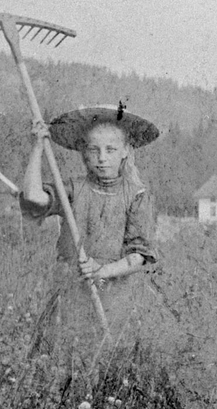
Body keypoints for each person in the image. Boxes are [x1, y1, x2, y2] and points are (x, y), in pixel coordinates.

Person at [21, 104, 159, 373]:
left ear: (125, 152)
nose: (102, 158)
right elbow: (33, 197)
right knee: (64, 364)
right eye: (94, 150)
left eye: (110, 150)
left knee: (110, 365)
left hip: (115, 296)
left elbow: (140, 256)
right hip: (71, 293)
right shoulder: (72, 189)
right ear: (84, 153)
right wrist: (38, 147)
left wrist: (102, 270)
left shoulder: (138, 194)